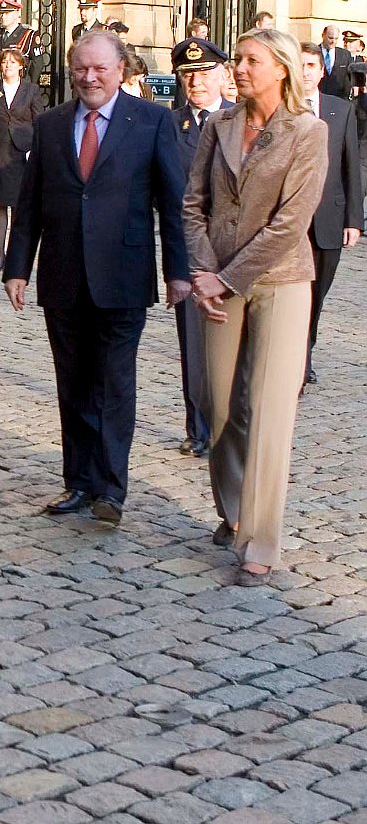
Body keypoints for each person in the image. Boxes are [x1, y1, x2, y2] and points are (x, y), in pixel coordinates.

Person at [3, 30, 189, 526]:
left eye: (100, 69)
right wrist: (18, 266)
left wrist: (179, 271)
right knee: (73, 382)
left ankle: (111, 488)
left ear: (121, 69)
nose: (89, 78)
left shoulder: (151, 121)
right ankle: (78, 482)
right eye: (81, 69)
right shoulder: (51, 124)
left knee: (113, 382)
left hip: (123, 276)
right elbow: (31, 203)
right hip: (62, 275)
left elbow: (173, 204)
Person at [185, 29, 327, 585]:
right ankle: (235, 508)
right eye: (237, 60)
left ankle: (259, 538)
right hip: (217, 281)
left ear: (282, 69)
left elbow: (291, 223)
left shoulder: (307, 132)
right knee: (218, 404)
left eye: (250, 61)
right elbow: (193, 203)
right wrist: (203, 272)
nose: (238, 68)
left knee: (269, 410)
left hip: (281, 281)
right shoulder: (219, 126)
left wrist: (224, 277)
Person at [168, 37, 235, 458]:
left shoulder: (241, 121)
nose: (196, 81)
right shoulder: (170, 125)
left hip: (235, 250)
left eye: (205, 73)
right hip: (190, 251)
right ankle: (199, 427)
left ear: (223, 75)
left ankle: (231, 421)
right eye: (188, 74)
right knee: (193, 344)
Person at [298, 42, 362, 386]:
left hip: (328, 220)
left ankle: (306, 347)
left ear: (321, 72)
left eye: (311, 66)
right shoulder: (283, 109)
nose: (306, 72)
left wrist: (354, 220)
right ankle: (297, 360)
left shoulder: (340, 110)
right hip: (290, 223)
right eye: (301, 65)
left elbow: (351, 166)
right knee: (296, 293)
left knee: (316, 294)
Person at [0, 48, 45, 272]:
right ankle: (0, 254)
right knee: (0, 203)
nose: (8, 66)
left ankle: (16, 253)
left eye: (12, 63)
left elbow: (39, 121)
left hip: (21, 151)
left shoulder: (31, 90)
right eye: (4, 62)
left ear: (21, 66)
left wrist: (39, 151)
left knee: (19, 205)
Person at [317, 26, 355, 100]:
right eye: (330, 38)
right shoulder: (314, 52)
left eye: (336, 38)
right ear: (323, 36)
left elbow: (351, 76)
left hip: (339, 99)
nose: (333, 41)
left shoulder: (345, 54)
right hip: (318, 99)